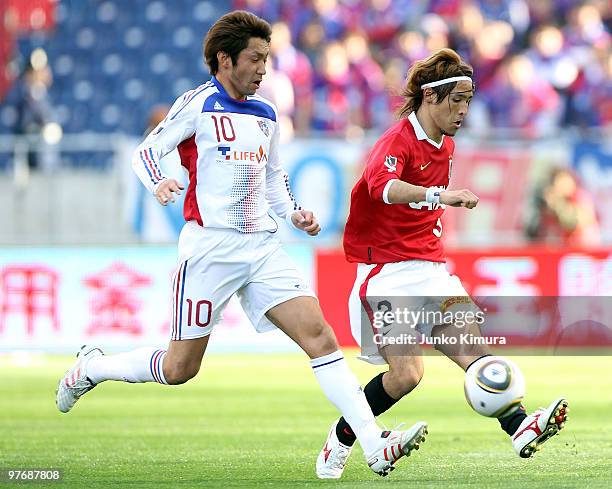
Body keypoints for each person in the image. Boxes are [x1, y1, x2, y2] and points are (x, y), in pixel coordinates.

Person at [55, 10, 426, 478]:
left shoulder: (267, 113)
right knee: (179, 368)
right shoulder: (198, 104)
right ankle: (92, 368)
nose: (263, 68)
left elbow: (273, 179)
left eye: (267, 59)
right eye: (255, 58)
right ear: (225, 60)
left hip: (262, 248)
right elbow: (146, 151)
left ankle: (374, 446)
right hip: (210, 251)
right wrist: (160, 182)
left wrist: (292, 212)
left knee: (321, 337)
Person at [316, 48, 569, 479]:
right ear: (430, 98)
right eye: (457, 100)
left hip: (431, 269)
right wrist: (439, 195)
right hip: (388, 275)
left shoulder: (446, 145)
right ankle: (340, 440)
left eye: (469, 101)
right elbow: (384, 189)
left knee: (475, 351)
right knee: (407, 375)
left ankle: (518, 425)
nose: (464, 110)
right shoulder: (396, 141)